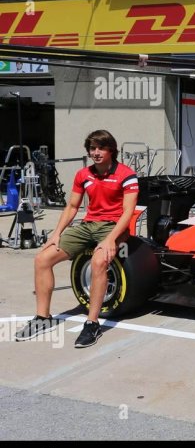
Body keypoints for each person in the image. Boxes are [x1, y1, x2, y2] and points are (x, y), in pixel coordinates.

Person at [15, 130, 139, 348]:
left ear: (111, 150)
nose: (96, 152)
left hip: (114, 226)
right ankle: (43, 318)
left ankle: (92, 324)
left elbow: (128, 212)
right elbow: (72, 206)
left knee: (98, 262)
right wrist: (56, 233)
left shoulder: (127, 175)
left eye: (101, 148)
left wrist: (111, 239)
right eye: (92, 148)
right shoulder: (84, 175)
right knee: (42, 259)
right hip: (88, 225)